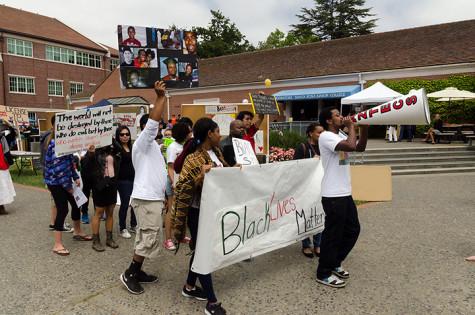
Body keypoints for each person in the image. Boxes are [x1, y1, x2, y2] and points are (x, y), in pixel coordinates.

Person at [173, 117, 228, 315]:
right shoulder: (193, 158)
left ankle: (189, 286)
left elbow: (225, 177)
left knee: (199, 251)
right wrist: (200, 177)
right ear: (209, 134)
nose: (220, 135)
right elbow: (182, 187)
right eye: (217, 131)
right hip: (199, 212)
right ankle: (212, 302)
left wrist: (235, 170)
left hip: (215, 209)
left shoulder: (218, 153)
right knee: (203, 251)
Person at [120, 81, 167, 295]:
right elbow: (152, 123)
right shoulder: (141, 143)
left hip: (153, 198)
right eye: (154, 126)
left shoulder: (154, 148)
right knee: (148, 237)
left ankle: (138, 272)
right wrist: (160, 98)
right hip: (146, 199)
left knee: (147, 236)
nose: (159, 127)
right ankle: (130, 273)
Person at [316, 107, 368, 288]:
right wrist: (351, 126)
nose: (341, 117)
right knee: (333, 235)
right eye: (337, 115)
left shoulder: (338, 136)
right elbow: (351, 146)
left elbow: (359, 148)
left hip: (344, 192)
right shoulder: (326, 136)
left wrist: (365, 128)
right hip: (332, 194)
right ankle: (323, 273)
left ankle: (335, 262)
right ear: (329, 121)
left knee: (353, 229)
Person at [44, 129, 92, 256]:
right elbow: (58, 169)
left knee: (77, 204)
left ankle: (77, 232)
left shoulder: (67, 145)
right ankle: (57, 244)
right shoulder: (55, 145)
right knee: (63, 209)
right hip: (55, 182)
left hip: (65, 181)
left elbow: (70, 163)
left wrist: (75, 177)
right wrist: (68, 187)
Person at [293, 123, 324, 258]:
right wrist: (310, 163)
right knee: (305, 216)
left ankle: (318, 244)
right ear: (310, 133)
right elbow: (295, 168)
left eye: (323, 132)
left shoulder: (325, 147)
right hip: (305, 188)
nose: (321, 135)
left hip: (321, 187)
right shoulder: (302, 147)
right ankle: (306, 245)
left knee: (319, 215)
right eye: (318, 133)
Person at [82, 143, 120, 252]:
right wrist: (90, 154)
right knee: (98, 212)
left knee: (110, 212)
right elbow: (86, 167)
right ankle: (96, 240)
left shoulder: (112, 149)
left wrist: (111, 139)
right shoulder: (93, 151)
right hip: (99, 185)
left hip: (112, 184)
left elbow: (120, 150)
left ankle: (109, 238)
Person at [163, 122, 193, 250]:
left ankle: (180, 236)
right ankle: (168, 239)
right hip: (173, 182)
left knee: (183, 210)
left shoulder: (186, 146)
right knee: (171, 210)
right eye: (189, 131)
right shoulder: (173, 147)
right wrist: (174, 183)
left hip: (184, 182)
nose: (191, 133)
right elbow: (170, 167)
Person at [115, 126, 137, 239]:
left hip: (134, 179)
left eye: (127, 134)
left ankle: (133, 225)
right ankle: (122, 227)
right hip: (122, 180)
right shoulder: (116, 149)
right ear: (118, 136)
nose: (125, 136)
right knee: (125, 203)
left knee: (134, 203)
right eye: (122, 134)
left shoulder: (132, 147)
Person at [0, 133, 15, 215]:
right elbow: (6, 151)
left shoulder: (2, 137)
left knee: (2, 186)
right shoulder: (1, 137)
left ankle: (1, 206)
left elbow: (6, 151)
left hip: (1, 166)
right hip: (1, 166)